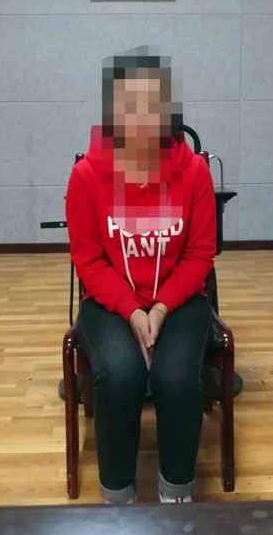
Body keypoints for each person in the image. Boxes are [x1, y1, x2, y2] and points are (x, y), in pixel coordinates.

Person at [65, 46, 217, 505]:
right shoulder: (86, 176)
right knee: (119, 374)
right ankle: (118, 498)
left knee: (176, 378)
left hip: (180, 300)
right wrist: (132, 310)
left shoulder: (195, 172)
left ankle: (176, 492)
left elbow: (200, 254)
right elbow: (89, 262)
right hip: (109, 303)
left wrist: (163, 306)